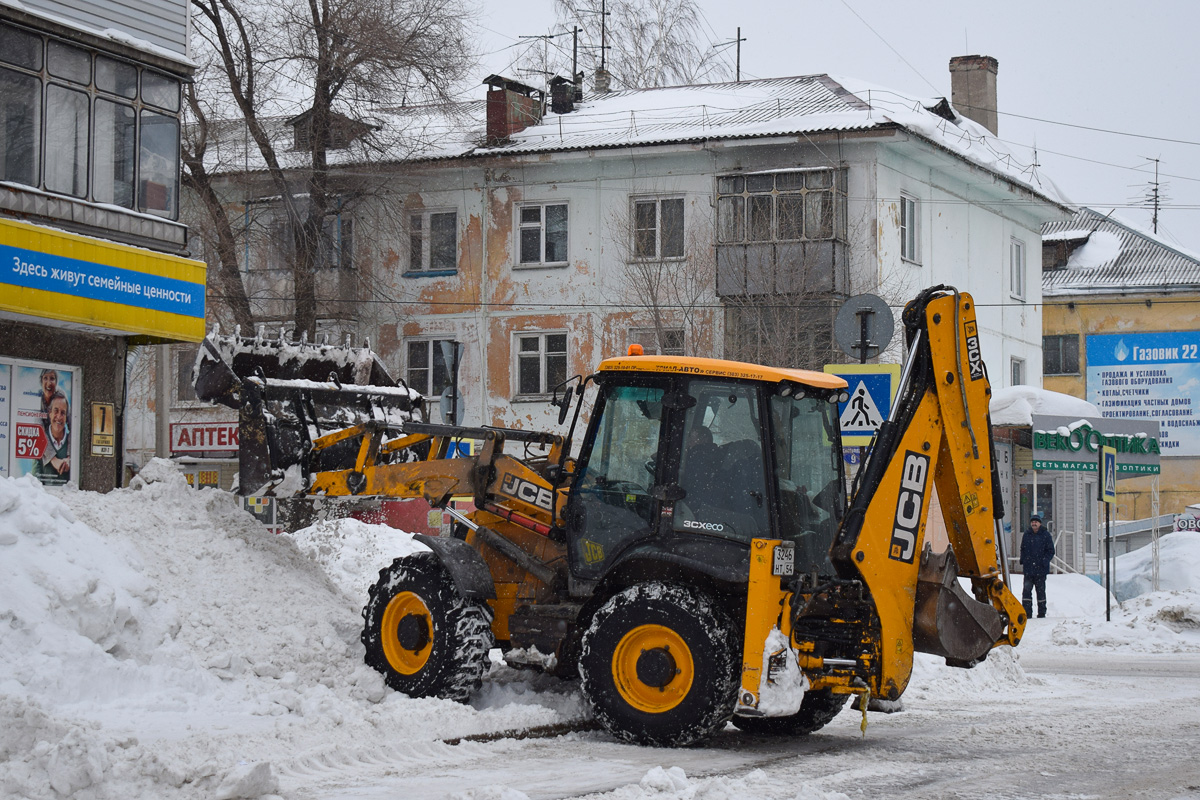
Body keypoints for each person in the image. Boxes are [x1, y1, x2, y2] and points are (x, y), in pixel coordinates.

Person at [1019, 514, 1055, 618]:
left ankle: (1042, 613)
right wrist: (1024, 560)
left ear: (1040, 523)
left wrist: (1044, 561)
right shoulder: (1026, 534)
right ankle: (1027, 612)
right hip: (1028, 569)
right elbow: (1023, 549)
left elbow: (1051, 551)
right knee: (1026, 591)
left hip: (1041, 570)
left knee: (1040, 592)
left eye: (1036, 522)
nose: (1034, 524)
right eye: (1032, 522)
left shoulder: (1046, 535)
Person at [33, 391, 70, 485]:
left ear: (66, 417)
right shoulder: (39, 443)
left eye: (63, 413)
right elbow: (35, 484)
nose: (59, 417)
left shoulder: (72, 444)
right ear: (49, 413)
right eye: (56, 411)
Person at [38, 369, 58, 434]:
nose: (49, 383)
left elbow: (71, 423)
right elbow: (38, 426)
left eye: (52, 379)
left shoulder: (61, 397)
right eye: (45, 378)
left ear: (56, 382)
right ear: (41, 381)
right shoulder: (37, 397)